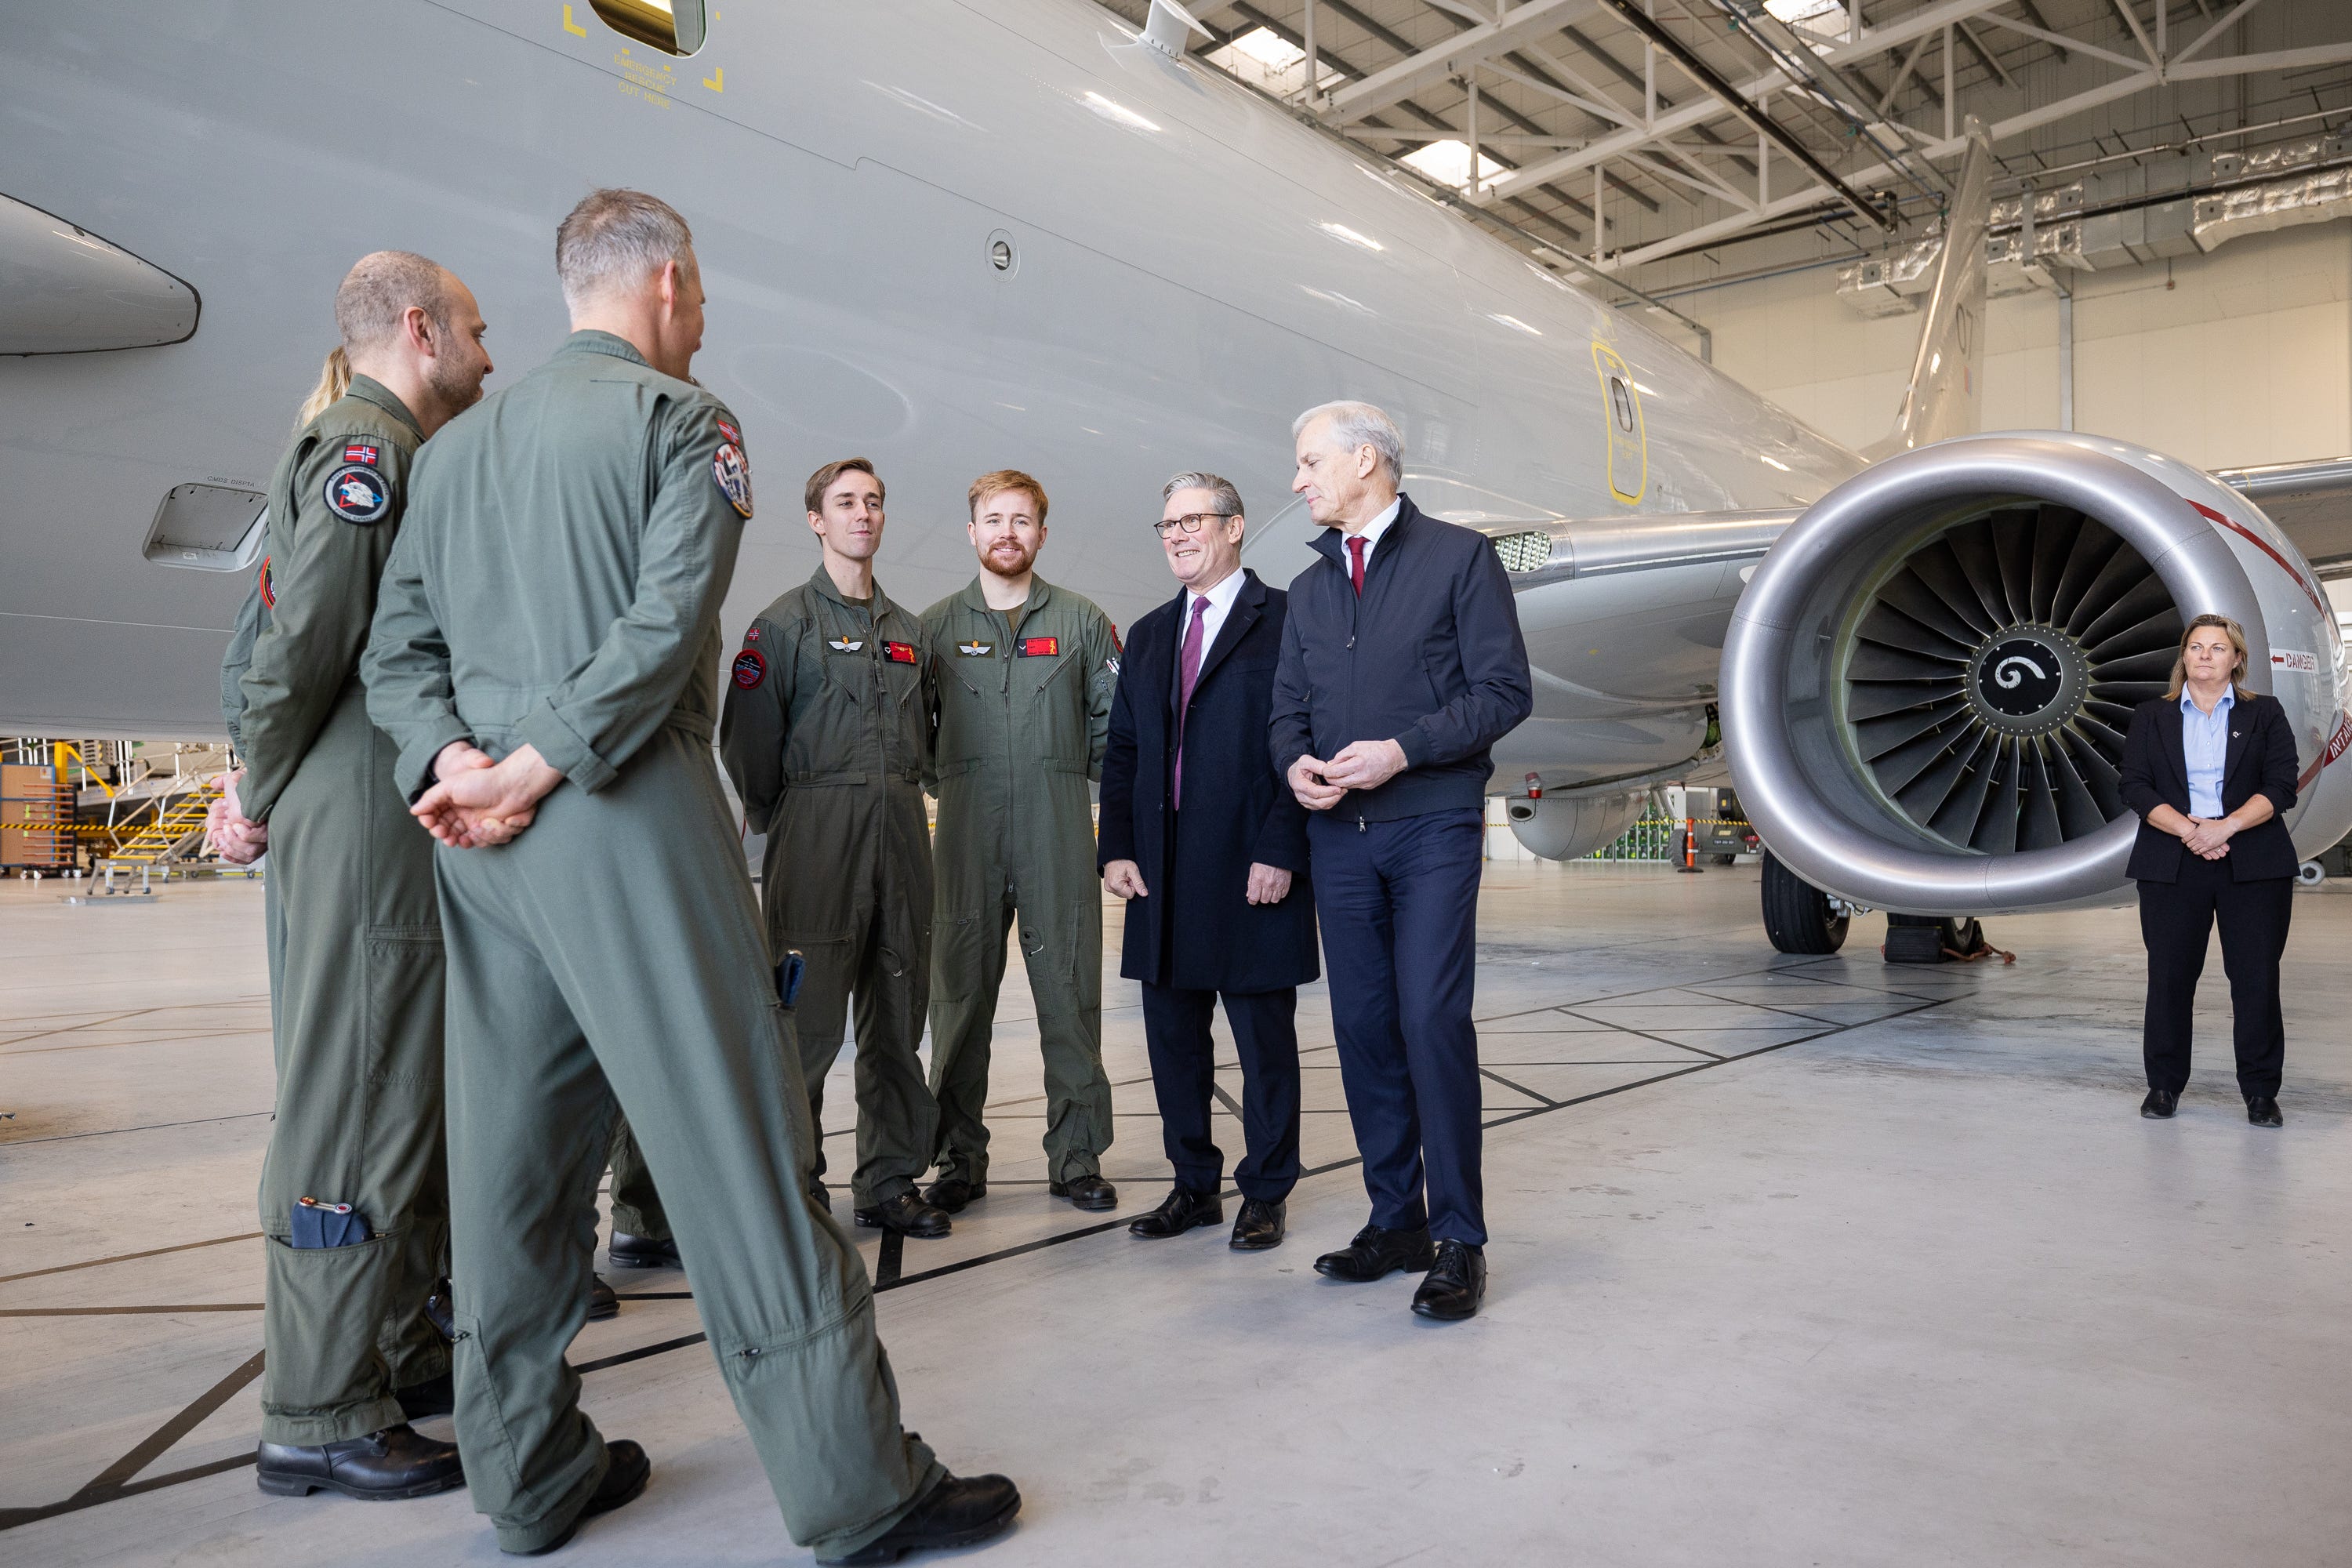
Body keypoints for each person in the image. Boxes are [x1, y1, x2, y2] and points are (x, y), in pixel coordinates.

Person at [361, 187, 1016, 1562]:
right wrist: (540, 763)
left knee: (512, 1167)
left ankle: (526, 1475)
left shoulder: (456, 454)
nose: (704, 319)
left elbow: (394, 655)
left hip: (482, 853)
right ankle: (856, 1488)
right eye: (703, 294)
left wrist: (456, 770)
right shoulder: (683, 426)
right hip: (623, 816)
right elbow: (667, 627)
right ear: (666, 285)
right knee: (740, 1150)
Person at [205, 253, 492, 1502]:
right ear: (420, 331)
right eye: (477, 330)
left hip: (394, 816)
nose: (490, 353)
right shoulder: (365, 452)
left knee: (409, 1092)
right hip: (361, 819)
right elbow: (302, 639)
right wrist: (253, 790)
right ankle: (317, 1409)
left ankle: (393, 1347)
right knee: (356, 1095)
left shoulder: (391, 451)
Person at [1270, 400, 1532, 1322]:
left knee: (1429, 1018)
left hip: (1431, 823)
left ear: (1367, 461)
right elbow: (1286, 708)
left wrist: (1403, 750)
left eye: (1309, 462)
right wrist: (1294, 763)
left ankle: (1461, 1236)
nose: (1298, 480)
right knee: (1364, 1027)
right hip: (1339, 836)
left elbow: (1505, 690)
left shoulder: (1461, 559)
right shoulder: (1307, 588)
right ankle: (1398, 1222)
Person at [719, 457, 949, 1240]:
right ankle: (796, 1182)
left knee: (897, 1014)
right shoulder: (781, 627)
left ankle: (889, 1180)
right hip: (814, 832)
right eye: (846, 502)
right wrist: (778, 811)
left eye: (875, 501)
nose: (863, 514)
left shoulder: (913, 636)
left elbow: (936, 739)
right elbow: (747, 741)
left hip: (899, 832)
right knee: (805, 1022)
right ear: (816, 518)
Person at [1100, 472, 1313, 1250]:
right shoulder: (1152, 633)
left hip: (1254, 865)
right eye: (1168, 525)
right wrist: (1116, 845)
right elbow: (1122, 749)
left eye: (1194, 520)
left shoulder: (1287, 619)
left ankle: (1265, 1191)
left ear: (1234, 527)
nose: (1179, 535)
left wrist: (1282, 847)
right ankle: (1194, 1185)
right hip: (1162, 869)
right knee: (1174, 1042)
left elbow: (1308, 742)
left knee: (1264, 1045)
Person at [921, 470, 1123, 1214]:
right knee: (958, 1001)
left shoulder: (1081, 623)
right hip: (966, 839)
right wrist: (962, 781)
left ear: (1041, 533)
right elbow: (916, 737)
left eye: (1022, 521)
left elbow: (1116, 730)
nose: (1007, 532)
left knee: (1069, 997)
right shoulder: (934, 629)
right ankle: (956, 1161)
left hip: (1058, 834)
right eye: (992, 519)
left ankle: (1076, 1158)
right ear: (971, 532)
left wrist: (1066, 778)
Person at [2118, 612, 2301, 1127]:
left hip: (2254, 863)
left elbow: (2281, 785)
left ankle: (2261, 1093)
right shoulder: (2153, 716)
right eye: (2196, 647)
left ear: (2236, 660)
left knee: (2256, 980)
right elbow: (2134, 786)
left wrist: (2226, 828)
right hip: (2173, 862)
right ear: (2184, 657)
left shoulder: (2264, 714)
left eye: (2217, 648)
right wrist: (2190, 831)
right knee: (2171, 979)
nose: (2205, 655)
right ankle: (2164, 1086)